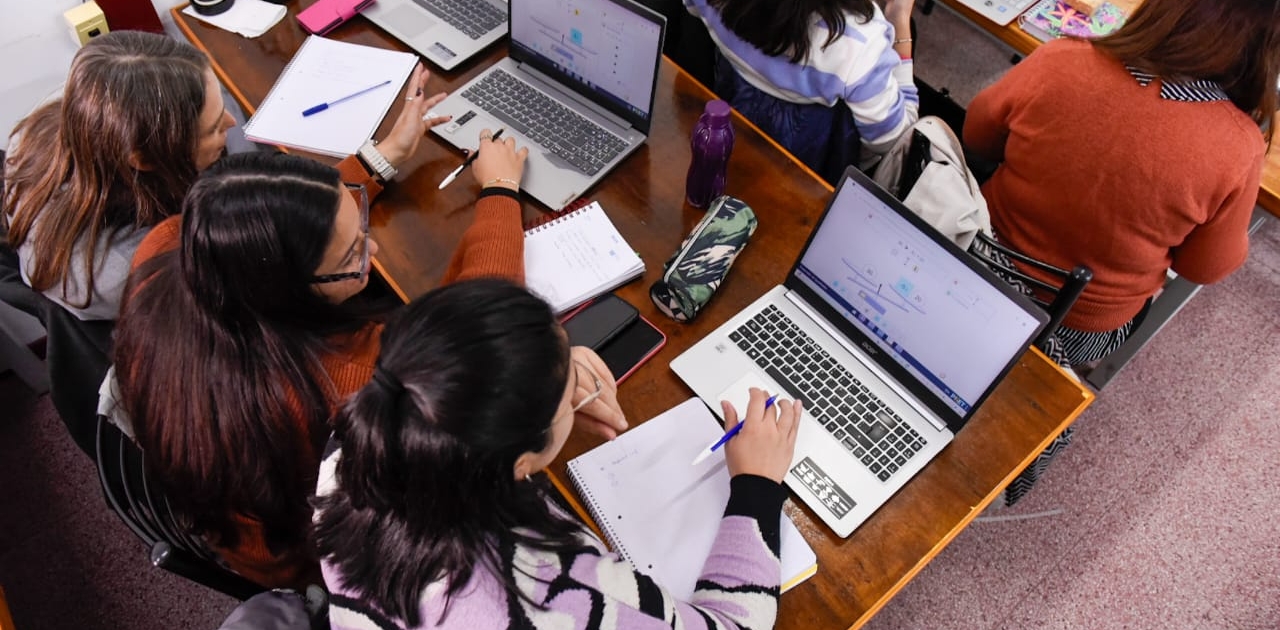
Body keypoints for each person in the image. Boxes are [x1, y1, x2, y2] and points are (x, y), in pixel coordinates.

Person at [112, 135, 609, 590]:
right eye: (351, 254)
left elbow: (268, 212)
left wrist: (373, 162)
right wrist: (500, 190)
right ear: (292, 289)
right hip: (324, 565)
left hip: (233, 514)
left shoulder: (170, 247)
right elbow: (472, 344)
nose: (371, 249)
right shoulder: (349, 386)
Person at [314, 278, 801, 630]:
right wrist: (756, 487)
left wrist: (539, 384)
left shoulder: (357, 442)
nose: (576, 376)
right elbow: (734, 624)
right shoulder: (551, 594)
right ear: (520, 463)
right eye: (568, 384)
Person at [963, 0, 1278, 366]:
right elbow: (1203, 268)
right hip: (1075, 325)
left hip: (973, 257)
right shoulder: (1239, 146)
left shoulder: (1064, 57)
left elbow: (976, 135)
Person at [683, 0, 918, 180]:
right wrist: (899, 18)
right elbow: (894, 142)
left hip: (715, 131)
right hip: (807, 179)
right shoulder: (861, 43)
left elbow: (692, 11)